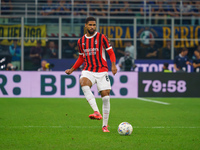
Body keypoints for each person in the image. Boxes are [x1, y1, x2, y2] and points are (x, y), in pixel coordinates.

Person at [65, 17, 117, 132]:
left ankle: (105, 126)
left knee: (105, 97)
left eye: (94, 25)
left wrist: (113, 65)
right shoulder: (80, 41)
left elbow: (111, 52)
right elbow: (81, 58)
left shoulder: (102, 37)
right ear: (86, 26)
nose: (92, 27)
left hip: (102, 70)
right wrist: (72, 69)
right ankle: (96, 112)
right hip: (88, 70)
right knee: (83, 82)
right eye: (90, 25)